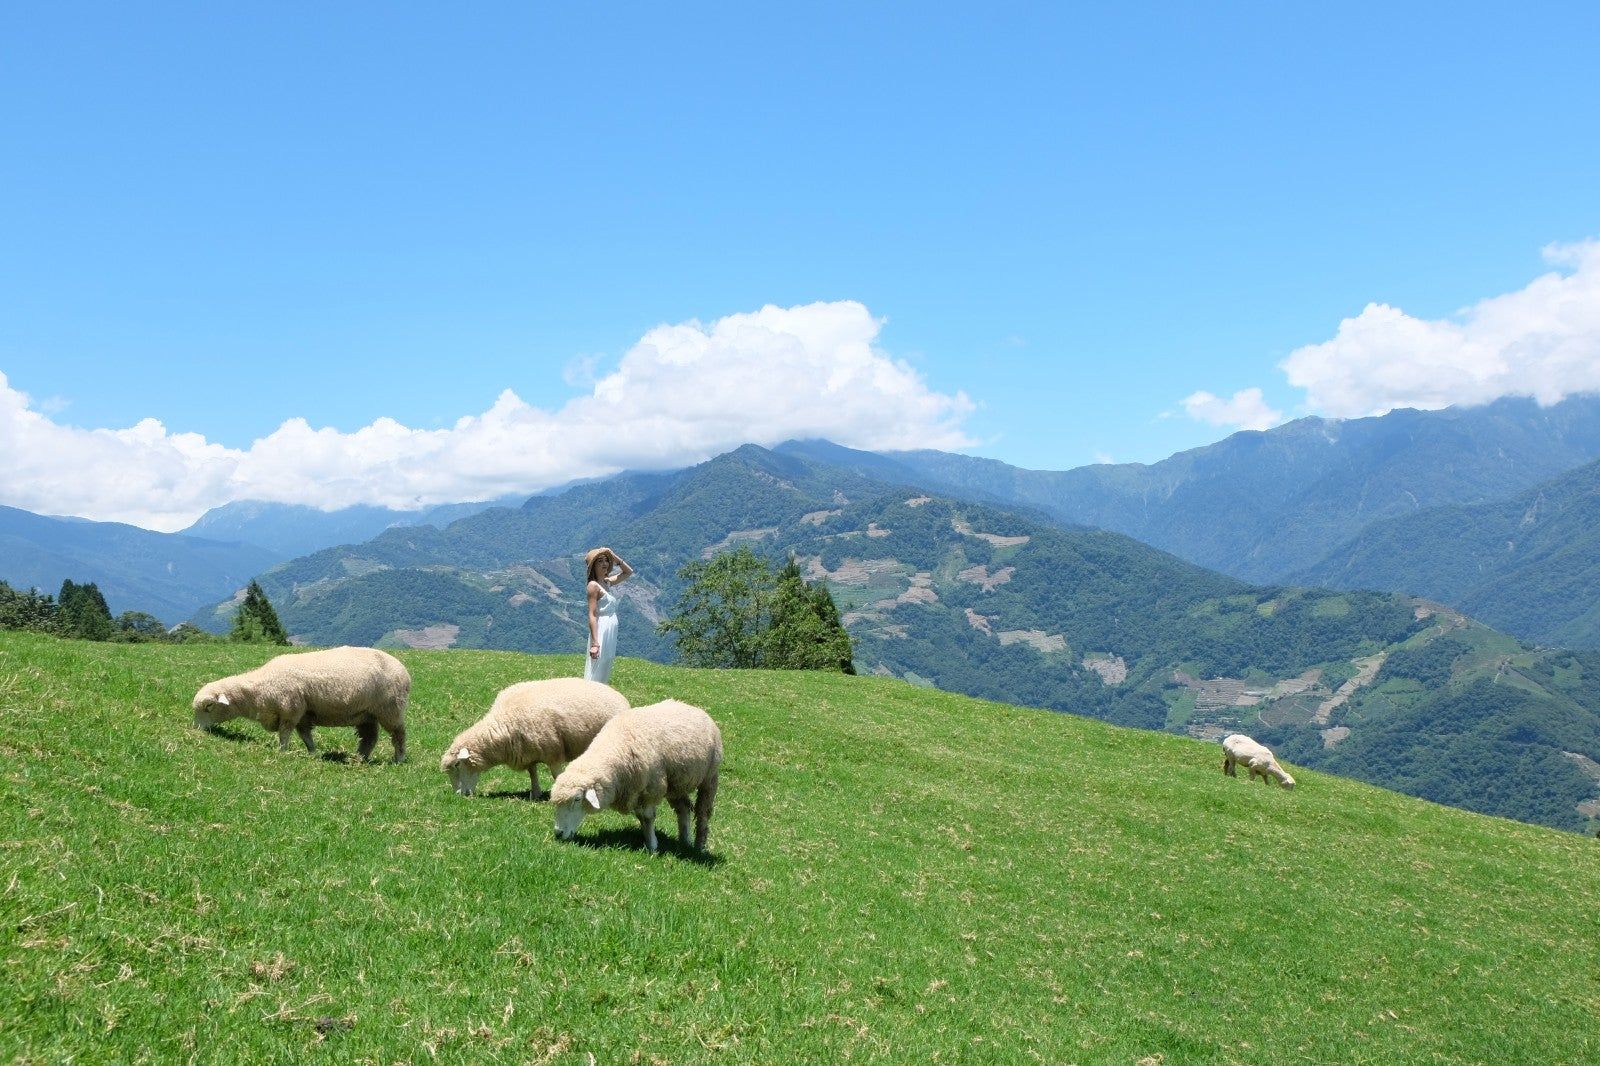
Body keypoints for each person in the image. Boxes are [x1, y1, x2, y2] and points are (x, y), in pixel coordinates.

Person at [583, 546, 633, 684]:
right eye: (600, 561)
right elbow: (592, 615)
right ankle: (590, 696)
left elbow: (628, 572)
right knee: (597, 666)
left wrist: (613, 555)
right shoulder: (593, 586)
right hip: (602, 628)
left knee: (606, 663)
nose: (605, 563)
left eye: (606, 560)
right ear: (593, 566)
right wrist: (595, 643)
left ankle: (601, 695)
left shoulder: (606, 582)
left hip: (610, 629)